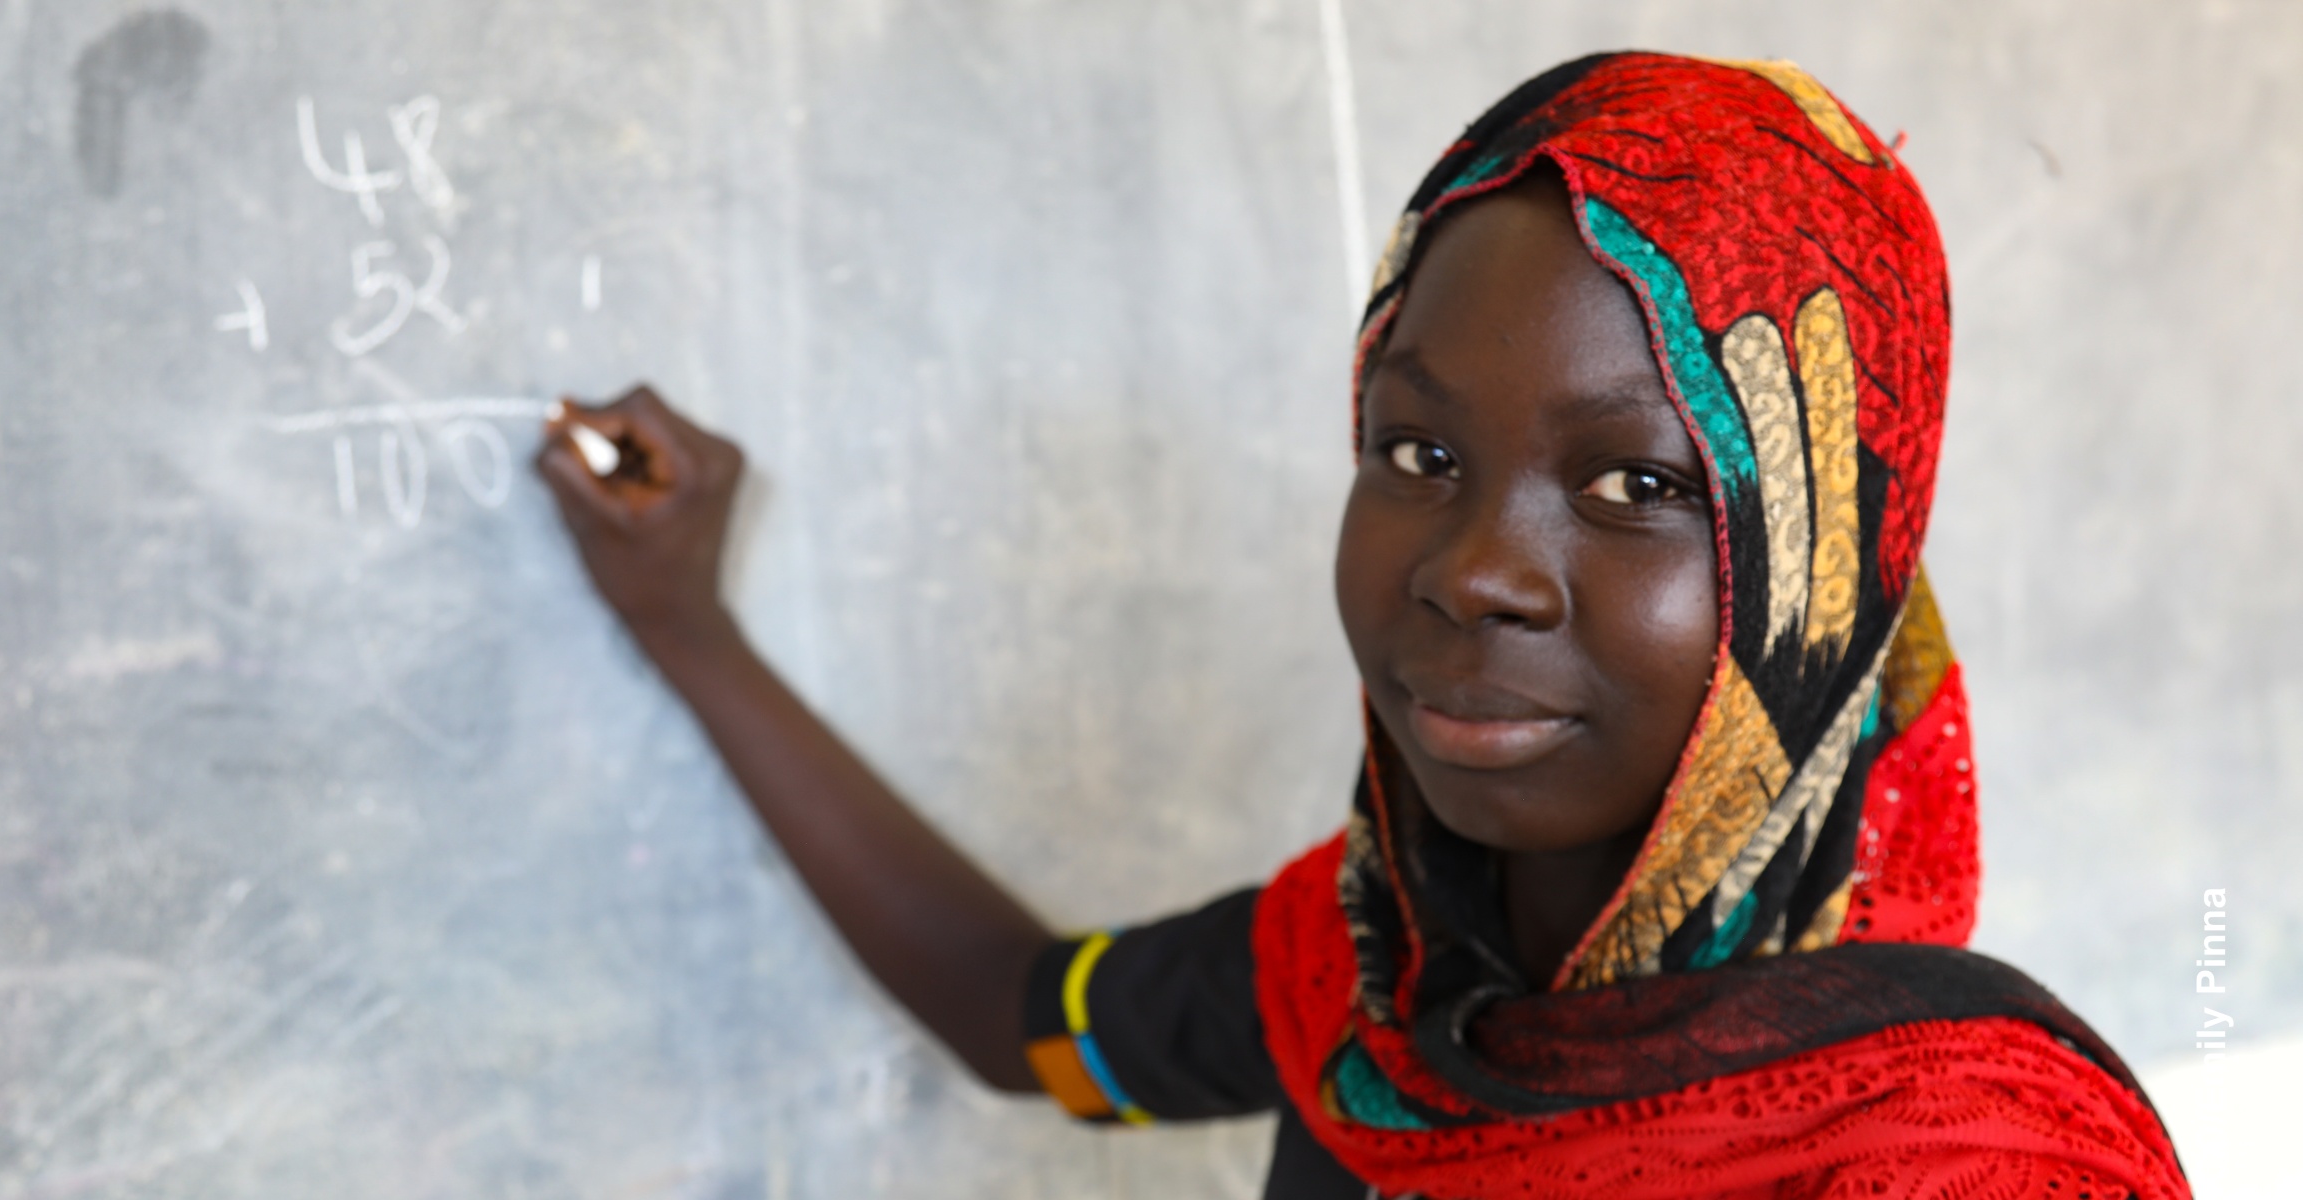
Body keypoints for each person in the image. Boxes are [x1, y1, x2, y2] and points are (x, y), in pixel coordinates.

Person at [537, 52, 2190, 1199]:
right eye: (1417, 455)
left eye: (1636, 484)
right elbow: (1017, 1014)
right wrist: (689, 628)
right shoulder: (1367, 978)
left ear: (1820, 571)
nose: (1475, 571)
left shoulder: (1958, 1156)